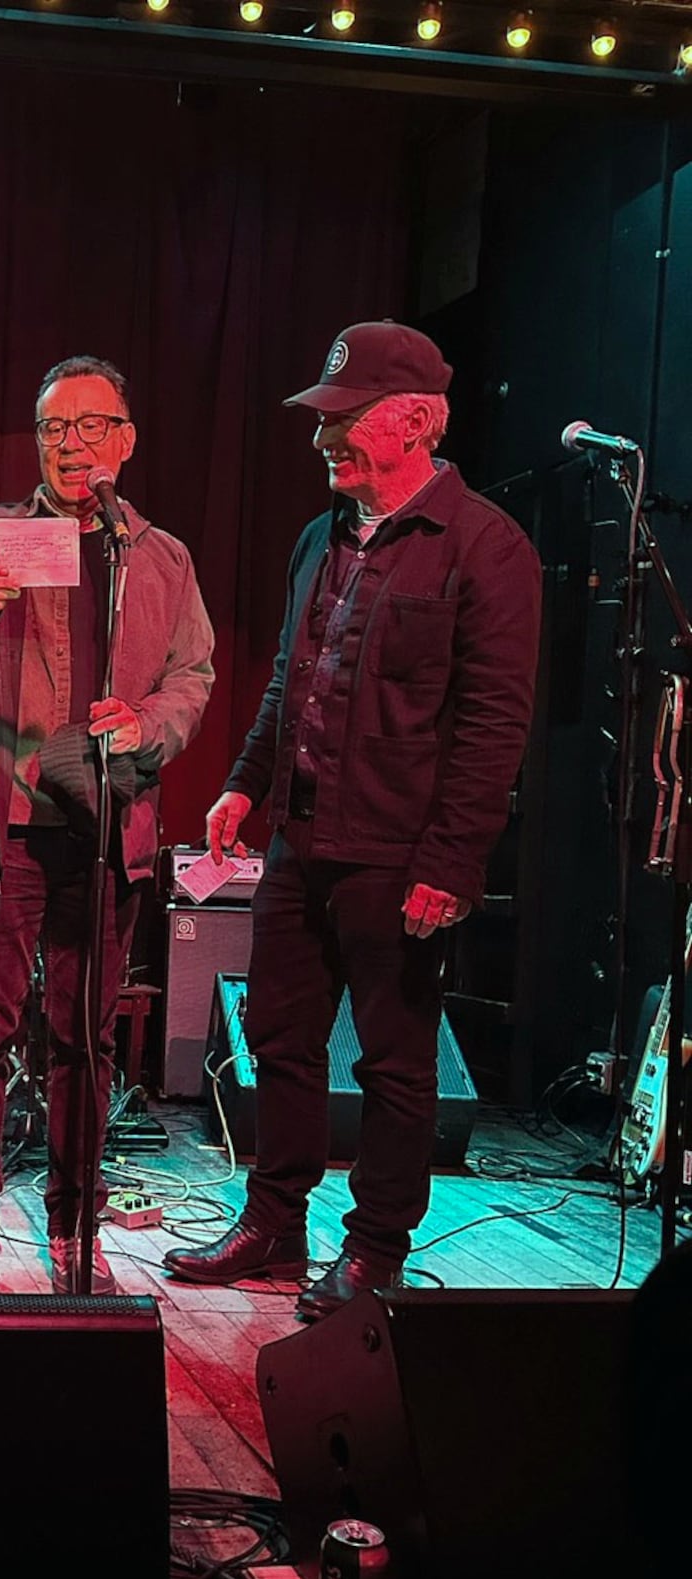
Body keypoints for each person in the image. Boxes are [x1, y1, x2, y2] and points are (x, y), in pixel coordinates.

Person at [162, 321, 542, 1320]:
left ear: (416, 421)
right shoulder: (317, 539)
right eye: (322, 419)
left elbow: (494, 721)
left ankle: (375, 1247)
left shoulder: (486, 548)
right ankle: (274, 1223)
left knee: (391, 1060)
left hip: (399, 854)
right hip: (303, 839)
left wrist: (451, 862)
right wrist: (245, 781)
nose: (323, 439)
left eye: (344, 419)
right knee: (280, 1040)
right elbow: (292, 677)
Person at [0, 355, 215, 1296]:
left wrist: (149, 726)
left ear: (125, 440)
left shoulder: (159, 556)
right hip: (5, 827)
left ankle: (77, 1227)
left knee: (87, 1037)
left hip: (110, 823)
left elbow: (191, 676)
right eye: (52, 429)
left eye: (88, 427)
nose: (69, 445)